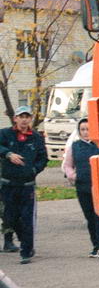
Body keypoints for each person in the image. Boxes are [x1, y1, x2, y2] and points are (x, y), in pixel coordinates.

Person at [0, 104, 50, 264]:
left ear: (30, 119)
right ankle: (23, 240)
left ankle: (26, 251)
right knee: (11, 218)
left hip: (27, 185)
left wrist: (34, 169)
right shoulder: (5, 134)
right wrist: (7, 154)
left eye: (27, 117)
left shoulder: (36, 137)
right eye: (21, 117)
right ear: (15, 119)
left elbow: (43, 159)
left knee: (27, 219)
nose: (24, 120)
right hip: (8, 185)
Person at [63, 116, 99, 258]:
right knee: (89, 217)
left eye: (88, 129)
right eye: (82, 129)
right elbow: (67, 165)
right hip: (82, 186)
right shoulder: (75, 146)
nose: (85, 132)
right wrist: (73, 176)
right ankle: (95, 245)